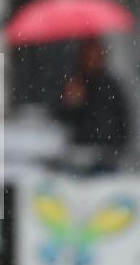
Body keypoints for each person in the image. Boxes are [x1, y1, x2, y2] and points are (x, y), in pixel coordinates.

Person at [52, 40, 130, 174]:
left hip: (108, 153)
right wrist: (70, 103)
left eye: (96, 56)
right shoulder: (75, 83)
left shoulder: (111, 85)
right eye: (89, 56)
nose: (93, 61)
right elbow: (61, 115)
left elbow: (122, 117)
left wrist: (119, 145)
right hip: (81, 153)